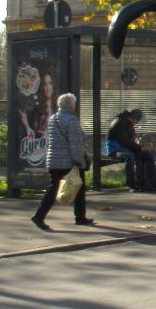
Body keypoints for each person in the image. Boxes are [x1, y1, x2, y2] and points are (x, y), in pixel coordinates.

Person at [31, 93, 94, 231]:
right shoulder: (72, 120)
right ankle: (80, 217)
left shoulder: (53, 118)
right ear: (69, 105)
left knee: (53, 189)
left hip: (54, 160)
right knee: (79, 188)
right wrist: (79, 161)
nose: (74, 105)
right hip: (68, 161)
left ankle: (39, 216)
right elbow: (75, 143)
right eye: (73, 103)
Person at [107, 109, 156, 192]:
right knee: (130, 156)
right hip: (115, 150)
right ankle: (131, 185)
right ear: (133, 118)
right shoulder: (119, 122)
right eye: (137, 121)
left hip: (128, 148)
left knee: (148, 155)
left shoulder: (129, 124)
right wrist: (140, 147)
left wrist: (142, 148)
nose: (136, 123)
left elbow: (130, 141)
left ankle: (153, 184)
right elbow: (124, 141)